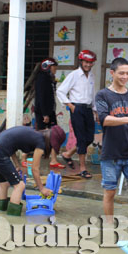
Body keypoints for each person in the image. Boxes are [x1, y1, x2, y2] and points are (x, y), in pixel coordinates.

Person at [95, 57, 128, 218]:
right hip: (111, 153)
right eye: (121, 73)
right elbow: (104, 119)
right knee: (110, 193)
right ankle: (109, 227)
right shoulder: (103, 95)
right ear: (112, 73)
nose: (125, 77)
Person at [0, 125, 65, 216]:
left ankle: (2, 212)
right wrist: (42, 188)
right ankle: (12, 217)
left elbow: (11, 147)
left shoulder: (33, 134)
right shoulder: (41, 142)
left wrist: (17, 165)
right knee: (20, 186)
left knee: (4, 183)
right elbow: (35, 168)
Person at [56, 49, 97, 179]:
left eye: (91, 63)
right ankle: (83, 168)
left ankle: (68, 154)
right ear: (81, 61)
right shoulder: (74, 75)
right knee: (81, 138)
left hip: (88, 109)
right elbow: (61, 91)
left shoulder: (91, 76)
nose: (88, 65)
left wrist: (95, 111)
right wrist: (70, 105)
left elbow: (93, 95)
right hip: (77, 109)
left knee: (89, 138)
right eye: (86, 62)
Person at [33, 57, 65, 169]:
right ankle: (27, 158)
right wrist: (45, 114)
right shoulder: (42, 79)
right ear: (48, 67)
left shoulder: (49, 78)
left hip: (49, 111)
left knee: (54, 134)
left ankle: (53, 159)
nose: (55, 69)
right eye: (54, 67)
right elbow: (42, 97)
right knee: (40, 137)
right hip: (44, 112)